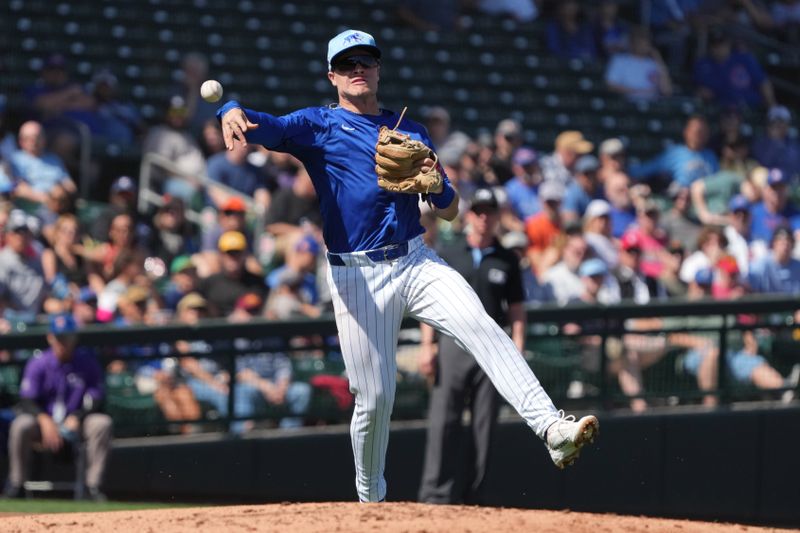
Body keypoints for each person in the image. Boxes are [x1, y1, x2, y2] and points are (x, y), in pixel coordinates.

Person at [217, 29, 598, 503]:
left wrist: (437, 185)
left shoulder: (410, 129)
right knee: (374, 401)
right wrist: (230, 107)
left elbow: (451, 210)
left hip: (415, 260)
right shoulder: (318, 124)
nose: (359, 69)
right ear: (332, 75)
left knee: (480, 323)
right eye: (348, 62)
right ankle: (369, 501)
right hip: (356, 275)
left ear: (378, 70)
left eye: (367, 61)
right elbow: (264, 125)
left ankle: (551, 429)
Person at [417, 188, 525, 505]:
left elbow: (516, 308)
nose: (484, 217)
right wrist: (428, 345)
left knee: (485, 425)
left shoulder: (507, 259)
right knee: (443, 422)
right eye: (478, 211)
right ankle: (434, 496)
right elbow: (430, 301)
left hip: (492, 346)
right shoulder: (450, 251)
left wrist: (517, 346)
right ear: (469, 215)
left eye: (489, 211)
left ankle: (475, 498)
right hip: (453, 342)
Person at [2, 313, 112, 501]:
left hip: (76, 422)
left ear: (74, 337)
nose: (62, 342)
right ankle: (17, 484)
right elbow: (27, 400)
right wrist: (44, 420)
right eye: (58, 337)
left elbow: (97, 397)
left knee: (102, 423)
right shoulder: (39, 362)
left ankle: (92, 487)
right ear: (50, 337)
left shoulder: (86, 362)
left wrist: (78, 416)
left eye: (66, 337)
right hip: (43, 422)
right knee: (21, 425)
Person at [693, 27, 776, 110]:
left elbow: (763, 82)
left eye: (722, 44)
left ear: (729, 44)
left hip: (752, 107)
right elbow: (703, 92)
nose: (719, 48)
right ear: (710, 47)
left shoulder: (744, 58)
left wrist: (772, 107)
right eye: (715, 45)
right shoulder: (703, 65)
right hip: (723, 110)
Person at [630, 115, 719, 189]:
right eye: (696, 131)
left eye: (703, 132)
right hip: (682, 199)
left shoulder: (711, 156)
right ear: (686, 132)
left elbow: (717, 181)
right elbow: (648, 169)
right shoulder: (674, 153)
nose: (699, 135)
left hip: (706, 200)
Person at [9, 121, 76, 204]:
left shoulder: (54, 159)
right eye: (28, 138)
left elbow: (69, 185)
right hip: (30, 207)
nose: (33, 142)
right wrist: (46, 199)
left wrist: (63, 192)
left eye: (37, 137)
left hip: (58, 204)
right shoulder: (15, 160)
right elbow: (18, 188)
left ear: (44, 139)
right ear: (21, 141)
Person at [604, 26, 672, 102]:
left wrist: (658, 59)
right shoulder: (619, 60)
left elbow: (667, 91)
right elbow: (611, 86)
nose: (644, 44)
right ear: (632, 42)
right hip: (626, 105)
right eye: (640, 40)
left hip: (652, 106)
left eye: (646, 41)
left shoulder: (654, 63)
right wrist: (639, 92)